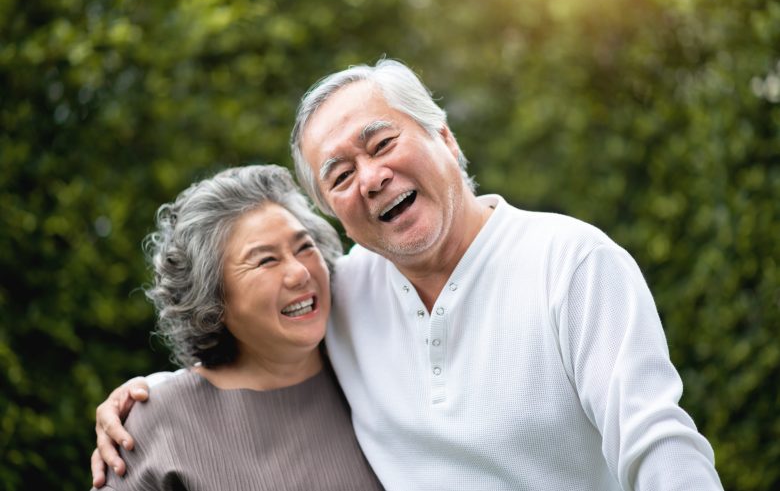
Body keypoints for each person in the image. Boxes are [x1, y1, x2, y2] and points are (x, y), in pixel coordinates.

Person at [93, 60, 723, 490]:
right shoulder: (342, 295)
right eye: (339, 175)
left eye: (382, 142)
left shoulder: (570, 261)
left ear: (444, 138)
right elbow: (257, 333)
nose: (369, 178)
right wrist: (155, 399)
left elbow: (655, 441)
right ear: (334, 211)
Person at [90, 165, 383, 490]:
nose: (300, 273)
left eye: (304, 247)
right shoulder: (157, 423)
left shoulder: (371, 372)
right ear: (212, 298)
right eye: (266, 260)